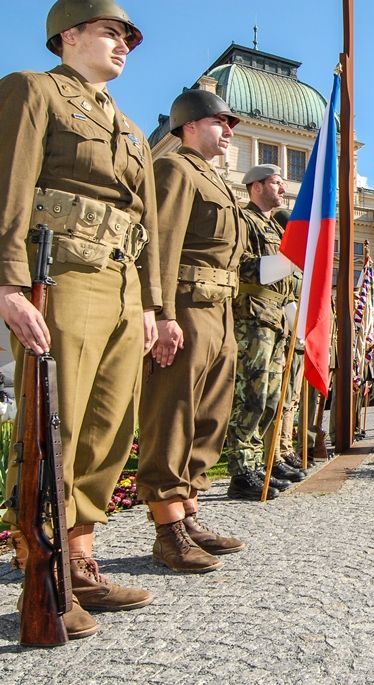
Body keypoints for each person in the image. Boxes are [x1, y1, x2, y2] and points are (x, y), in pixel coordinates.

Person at [0, 0, 157, 638]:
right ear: (68, 35)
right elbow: (9, 184)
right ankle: (44, 569)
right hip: (60, 277)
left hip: (120, 284)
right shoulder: (34, 92)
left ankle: (81, 554)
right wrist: (8, 280)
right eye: (110, 32)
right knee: (52, 424)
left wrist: (148, 304)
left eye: (128, 37)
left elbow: (144, 223)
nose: (123, 44)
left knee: (109, 428)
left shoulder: (131, 128)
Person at [137, 89, 246, 573]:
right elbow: (159, 244)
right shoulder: (175, 170)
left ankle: (189, 510)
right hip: (185, 308)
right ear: (188, 126)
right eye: (219, 122)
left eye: (229, 124)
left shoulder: (217, 181)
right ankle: (167, 527)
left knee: (210, 416)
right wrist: (160, 314)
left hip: (220, 313)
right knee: (173, 412)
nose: (227, 131)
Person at [222, 164, 305, 502]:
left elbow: (287, 283)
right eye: (275, 182)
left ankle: (257, 462)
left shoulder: (274, 226)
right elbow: (238, 264)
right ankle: (241, 471)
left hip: (276, 320)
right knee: (251, 396)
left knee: (271, 398)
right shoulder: (245, 221)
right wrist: (282, 263)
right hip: (253, 317)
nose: (282, 188)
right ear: (255, 187)